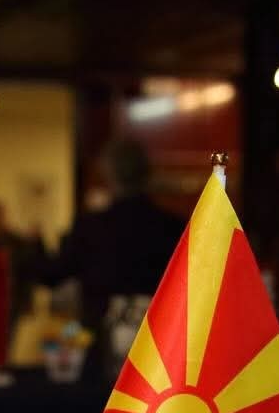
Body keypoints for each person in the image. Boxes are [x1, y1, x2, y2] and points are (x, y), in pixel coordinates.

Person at [51, 139, 183, 328]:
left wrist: (32, 248)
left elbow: (56, 273)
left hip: (102, 332)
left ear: (109, 174)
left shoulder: (91, 227)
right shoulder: (173, 226)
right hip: (157, 333)